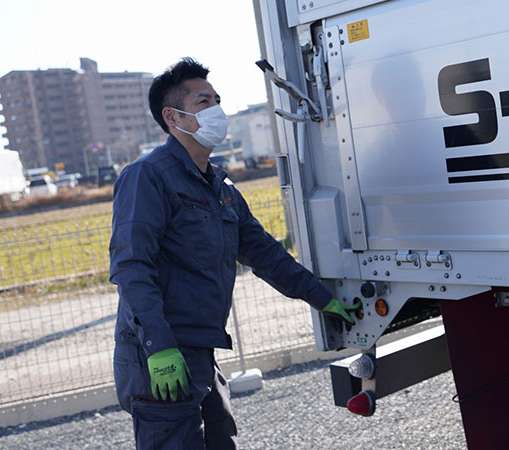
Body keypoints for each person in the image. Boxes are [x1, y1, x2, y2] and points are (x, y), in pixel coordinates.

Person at [109, 57, 360, 450]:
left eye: (218, 99)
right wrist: (158, 347)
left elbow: (264, 253)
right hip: (158, 354)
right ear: (172, 117)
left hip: (200, 350)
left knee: (221, 439)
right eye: (203, 101)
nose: (217, 110)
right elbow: (131, 267)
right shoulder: (147, 176)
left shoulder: (219, 184)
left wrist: (322, 296)